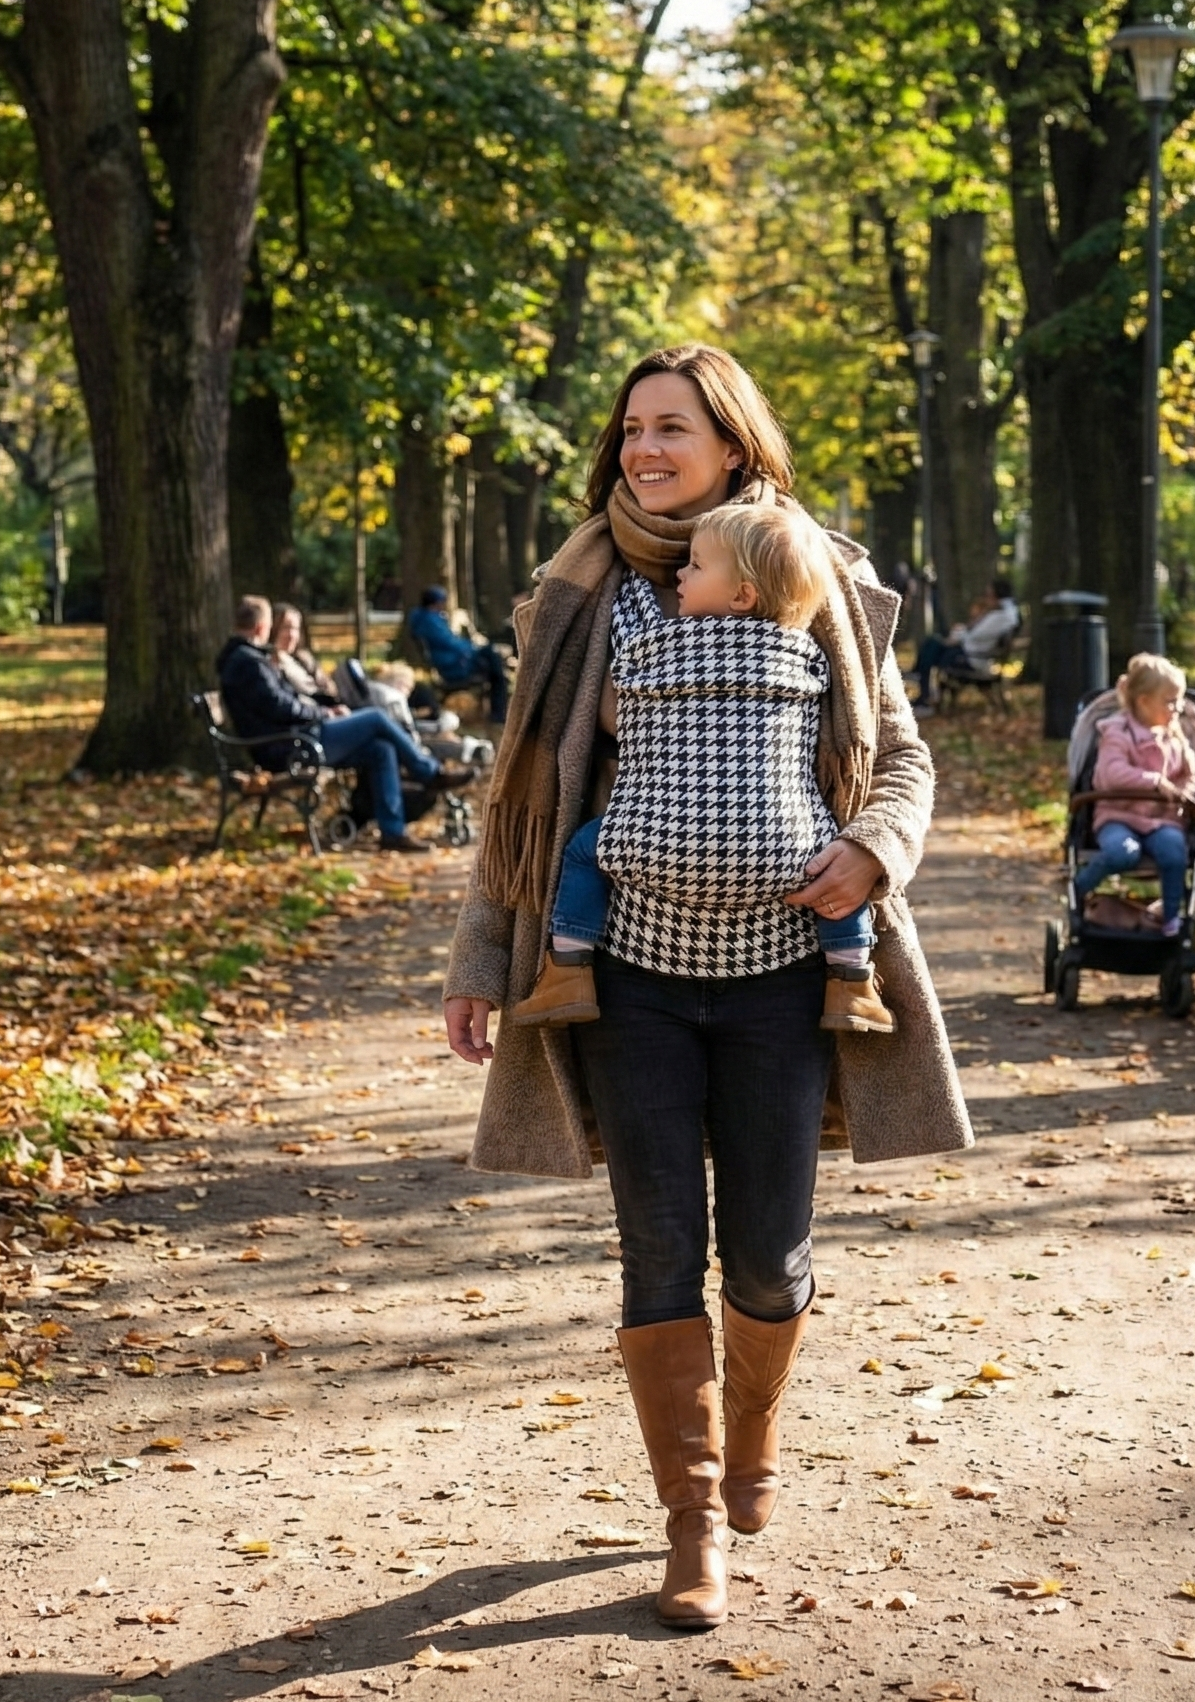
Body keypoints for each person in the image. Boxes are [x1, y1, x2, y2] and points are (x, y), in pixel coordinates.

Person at [442, 344, 969, 1632]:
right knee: (659, 1242)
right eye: (629, 429)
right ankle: (689, 1523)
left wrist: (870, 848)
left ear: (732, 444)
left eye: (669, 427)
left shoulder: (813, 575)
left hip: (788, 981)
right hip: (627, 984)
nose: (640, 450)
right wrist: (475, 961)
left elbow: (897, 753)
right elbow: (523, 797)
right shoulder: (582, 595)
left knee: (772, 1255)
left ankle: (752, 1444)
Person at [509, 501, 893, 1039]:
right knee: (832, 867)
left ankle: (567, 970)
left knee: (583, 850)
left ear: (741, 594)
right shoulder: (808, 652)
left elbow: (624, 686)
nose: (680, 574)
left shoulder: (648, 644)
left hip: (648, 843)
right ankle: (852, 977)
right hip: (785, 851)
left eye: (695, 566)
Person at [215, 595, 473, 855]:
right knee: (375, 718)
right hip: (290, 747)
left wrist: (323, 710)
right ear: (262, 627)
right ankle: (430, 773)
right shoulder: (249, 663)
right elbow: (282, 707)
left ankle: (393, 832)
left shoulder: (246, 659)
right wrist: (324, 714)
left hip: (293, 739)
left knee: (380, 749)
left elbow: (282, 704)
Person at [1072, 653, 1195, 936]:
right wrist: (1154, 782)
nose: (1178, 708)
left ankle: (1170, 918)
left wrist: (1184, 794)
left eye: (1178, 700)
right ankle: (1080, 887)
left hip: (1162, 819)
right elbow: (1111, 773)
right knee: (1122, 854)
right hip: (1119, 815)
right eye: (1170, 700)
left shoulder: (1175, 737)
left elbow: (1188, 776)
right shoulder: (1117, 733)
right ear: (1143, 701)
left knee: (1174, 853)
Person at [911, 580, 1019, 712]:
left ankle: (924, 690)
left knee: (933, 647)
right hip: (970, 652)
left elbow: (976, 635)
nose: (986, 596)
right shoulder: (1001, 612)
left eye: (989, 594)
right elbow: (975, 632)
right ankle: (923, 686)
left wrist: (956, 636)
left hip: (972, 658)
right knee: (932, 644)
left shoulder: (1001, 615)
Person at [406, 586, 511, 722]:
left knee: (493, 660)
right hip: (454, 666)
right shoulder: (430, 622)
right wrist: (473, 647)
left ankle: (498, 710)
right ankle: (498, 714)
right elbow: (450, 643)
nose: (444, 604)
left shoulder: (427, 619)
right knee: (493, 662)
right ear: (436, 602)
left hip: (454, 661)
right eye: (443, 601)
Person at [270, 604, 338, 704]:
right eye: (285, 628)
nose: (291, 635)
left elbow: (331, 691)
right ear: (273, 629)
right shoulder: (270, 664)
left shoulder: (302, 659)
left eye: (295, 629)